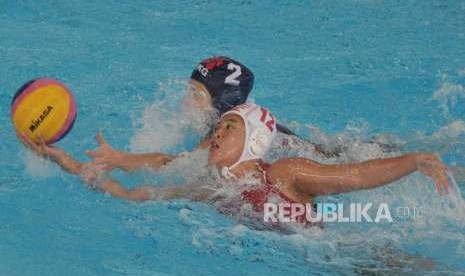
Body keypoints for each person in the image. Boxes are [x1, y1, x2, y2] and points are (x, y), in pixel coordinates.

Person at [18, 103, 449, 225]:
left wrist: (412, 161)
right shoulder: (208, 189)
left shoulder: (284, 173)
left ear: (256, 142)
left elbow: (352, 177)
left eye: (231, 128)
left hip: (338, 256)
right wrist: (59, 158)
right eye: (219, 128)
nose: (218, 134)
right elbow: (126, 194)